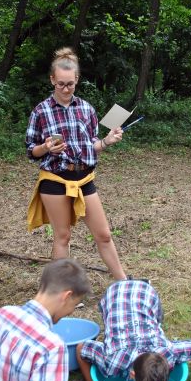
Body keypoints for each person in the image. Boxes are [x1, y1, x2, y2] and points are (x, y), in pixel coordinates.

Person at [25, 47, 127, 280]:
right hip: (55, 180)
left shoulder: (86, 109)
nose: (65, 89)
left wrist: (107, 141)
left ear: (77, 80)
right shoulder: (41, 111)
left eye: (70, 84)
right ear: (52, 79)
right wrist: (46, 147)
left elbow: (91, 145)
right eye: (60, 84)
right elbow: (31, 151)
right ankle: (60, 291)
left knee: (104, 234)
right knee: (63, 237)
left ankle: (123, 283)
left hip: (84, 178)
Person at [0, 258, 90, 381]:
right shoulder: (51, 348)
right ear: (67, 296)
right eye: (74, 305)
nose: (71, 311)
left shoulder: (0, 315)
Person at [75, 280, 191, 381]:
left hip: (145, 294)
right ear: (132, 375)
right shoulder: (111, 361)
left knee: (156, 322)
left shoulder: (169, 353)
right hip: (115, 294)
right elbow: (81, 348)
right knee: (111, 324)